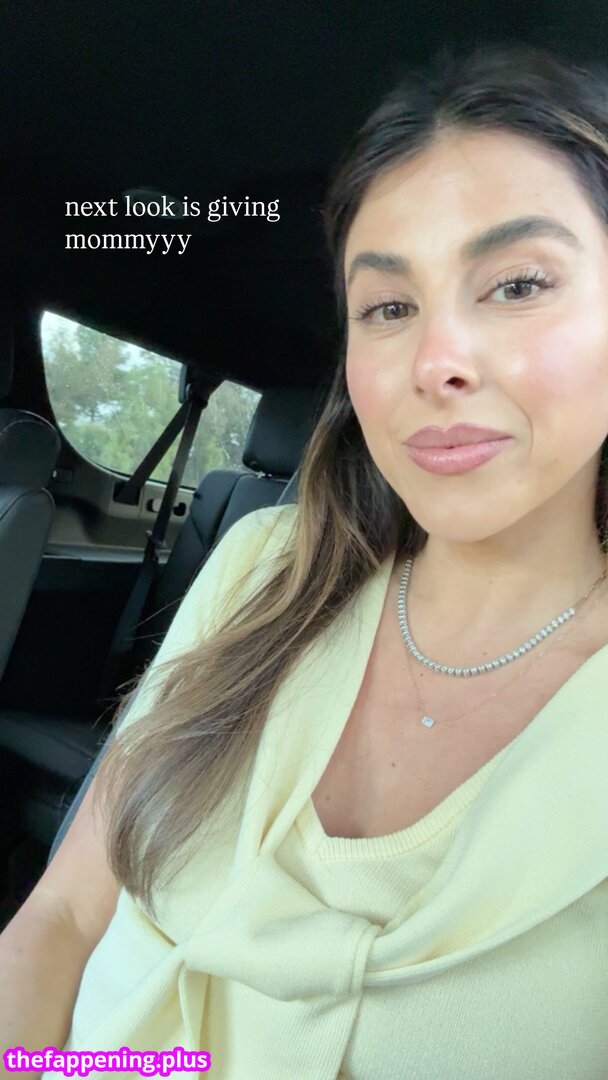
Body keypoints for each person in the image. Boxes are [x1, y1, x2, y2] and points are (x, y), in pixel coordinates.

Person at [1, 41, 607, 1079]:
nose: (434, 363)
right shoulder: (262, 568)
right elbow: (59, 915)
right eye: (387, 307)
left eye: (516, 284)